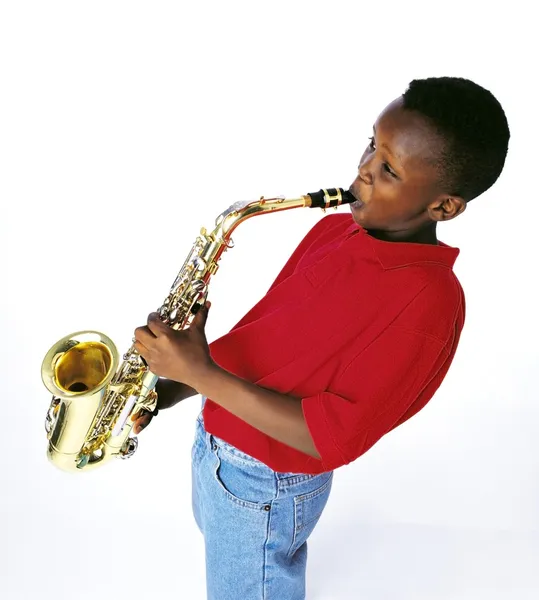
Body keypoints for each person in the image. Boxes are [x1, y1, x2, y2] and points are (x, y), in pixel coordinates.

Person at [131, 76, 510, 600]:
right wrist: (167, 387)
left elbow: (330, 438)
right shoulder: (335, 231)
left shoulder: (429, 304)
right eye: (372, 145)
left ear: (443, 207)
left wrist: (198, 371)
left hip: (266, 484)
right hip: (218, 449)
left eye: (389, 170)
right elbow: (259, 346)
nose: (362, 171)